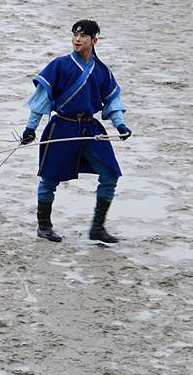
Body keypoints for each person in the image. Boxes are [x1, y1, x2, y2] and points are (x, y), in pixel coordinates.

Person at [20, 20, 132, 244]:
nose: (77, 39)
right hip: (62, 127)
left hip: (90, 129)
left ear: (94, 40)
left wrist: (119, 124)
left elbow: (112, 101)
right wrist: (30, 129)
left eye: (82, 35)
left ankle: (97, 228)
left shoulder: (102, 70)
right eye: (74, 35)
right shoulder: (59, 65)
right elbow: (41, 100)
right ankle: (44, 226)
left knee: (110, 173)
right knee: (50, 178)